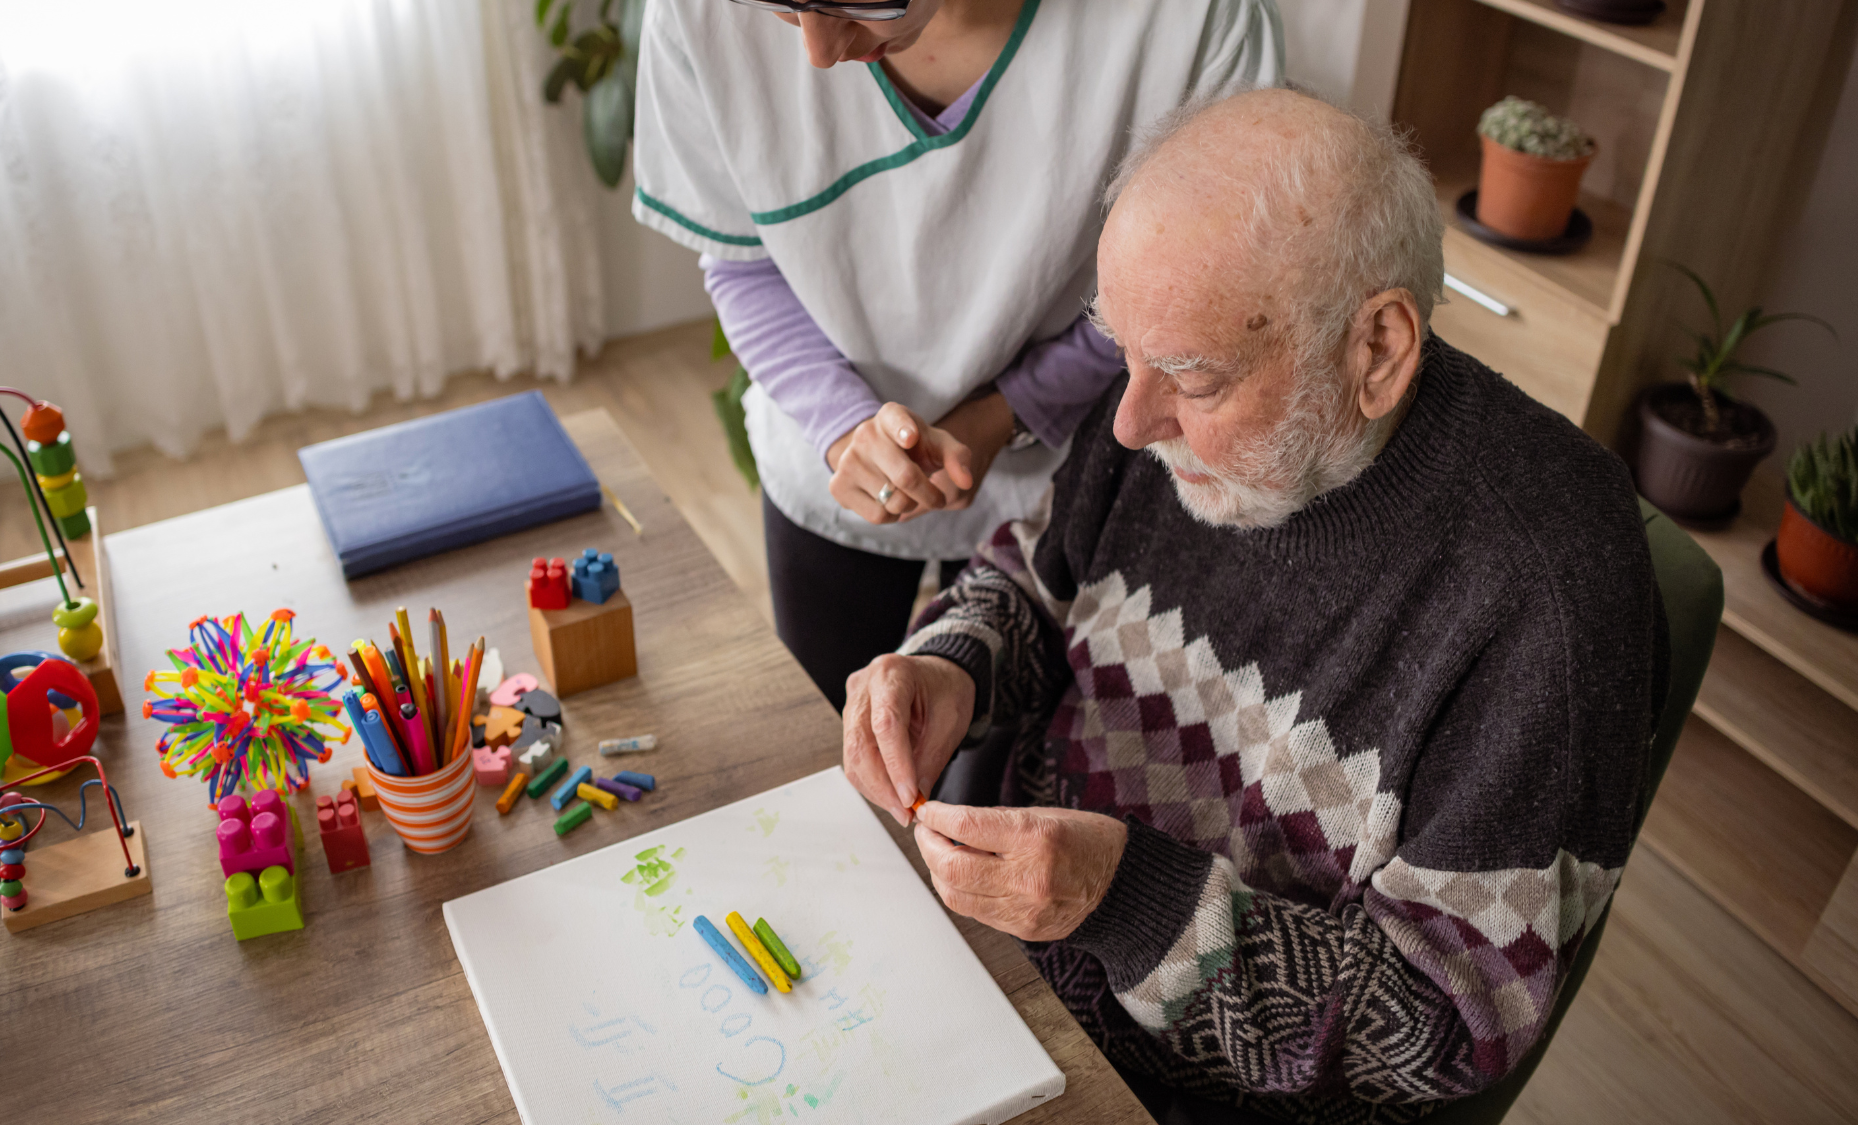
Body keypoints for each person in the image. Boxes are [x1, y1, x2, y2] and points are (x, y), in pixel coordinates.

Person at [840, 88, 1668, 1123]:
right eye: (1120, 355)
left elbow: (1447, 1029)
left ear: (1375, 351)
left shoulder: (1546, 592)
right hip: (993, 969)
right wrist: (952, 666)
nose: (1131, 423)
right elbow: (1031, 576)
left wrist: (1122, 901)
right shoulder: (1167, 390)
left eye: (1190, 377)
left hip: (1185, 1097)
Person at [631, 0, 1285, 709]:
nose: (818, 54)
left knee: (1009, 759)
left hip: (1063, 472)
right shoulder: (695, 14)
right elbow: (744, 262)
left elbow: (1184, 286)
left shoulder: (1190, 20)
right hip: (829, 459)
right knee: (838, 741)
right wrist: (842, 424)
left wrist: (1012, 412)